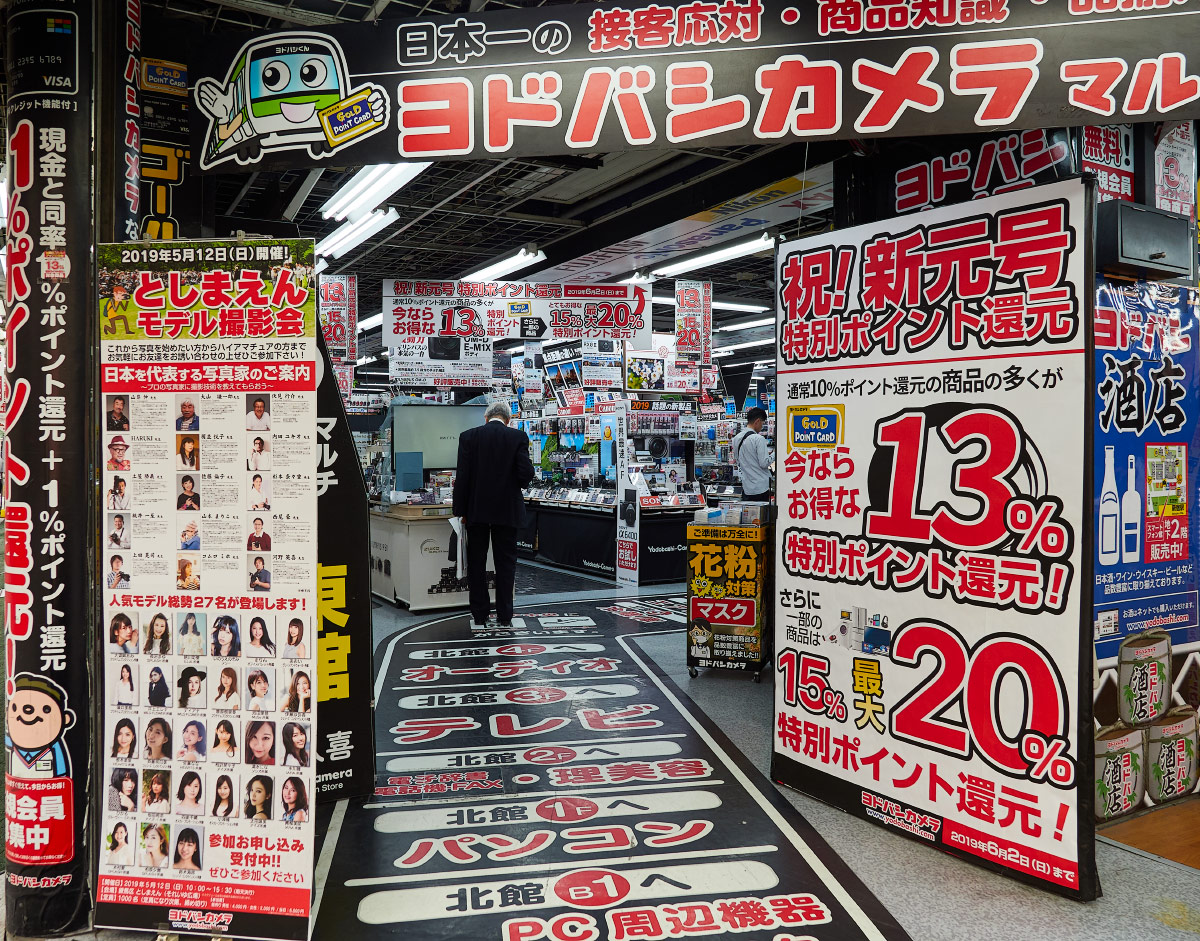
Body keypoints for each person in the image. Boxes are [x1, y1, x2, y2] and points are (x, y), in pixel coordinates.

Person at [453, 402, 535, 627]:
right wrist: (513, 484)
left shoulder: (468, 437)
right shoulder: (518, 437)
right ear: (508, 419)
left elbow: (463, 477)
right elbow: (526, 472)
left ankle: (480, 614)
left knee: (477, 563)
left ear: (486, 417)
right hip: (507, 510)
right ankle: (505, 616)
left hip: (476, 510)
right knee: (506, 564)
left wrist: (460, 511)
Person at [731, 406, 773, 502]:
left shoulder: (736, 438)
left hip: (747, 488)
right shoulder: (758, 439)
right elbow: (764, 463)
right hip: (761, 488)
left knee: (749, 515)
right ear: (757, 421)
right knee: (761, 516)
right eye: (762, 423)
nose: (762, 427)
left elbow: (738, 460)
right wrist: (775, 454)